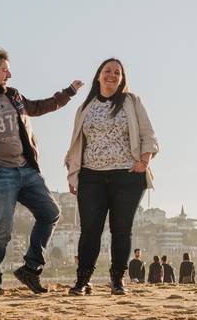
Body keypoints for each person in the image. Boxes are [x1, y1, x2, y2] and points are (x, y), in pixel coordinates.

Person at [0, 48, 83, 296]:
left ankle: (31, 268)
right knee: (3, 228)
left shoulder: (13, 96)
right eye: (4, 70)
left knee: (51, 212)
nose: (9, 74)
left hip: (26, 168)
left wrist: (69, 93)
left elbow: (40, 107)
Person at [66, 58, 159, 296]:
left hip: (127, 176)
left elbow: (148, 134)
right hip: (91, 176)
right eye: (107, 71)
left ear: (122, 78)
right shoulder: (85, 107)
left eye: (117, 72)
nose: (112, 75)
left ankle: (117, 280)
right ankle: (82, 280)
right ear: (98, 76)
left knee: (121, 229)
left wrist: (144, 162)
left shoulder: (131, 101)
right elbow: (77, 143)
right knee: (90, 230)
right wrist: (73, 173)